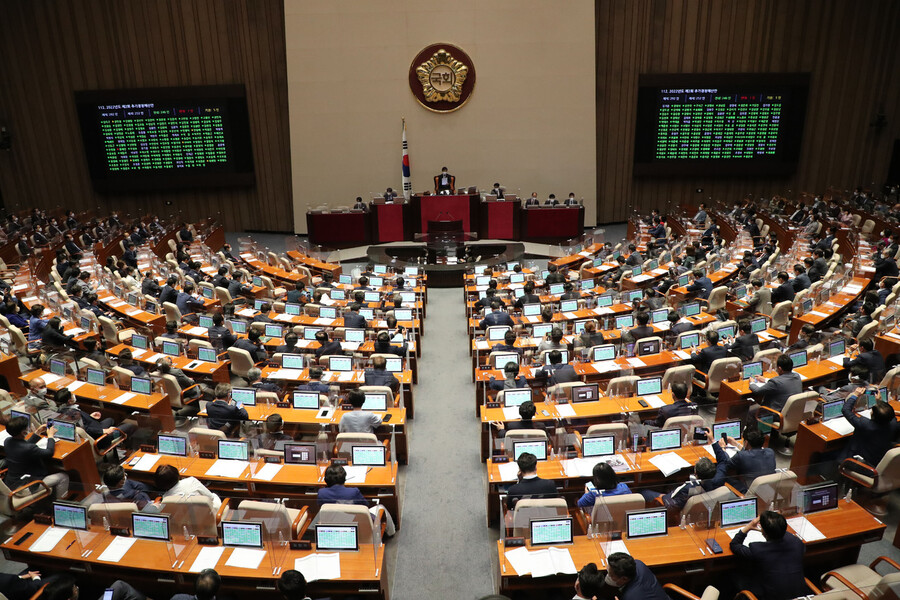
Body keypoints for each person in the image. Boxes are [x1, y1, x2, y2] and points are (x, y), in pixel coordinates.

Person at [729, 512, 806, 600]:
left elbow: (734, 545)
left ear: (764, 532)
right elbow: (785, 535)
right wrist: (774, 525)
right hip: (799, 595)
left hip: (771, 597)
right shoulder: (797, 543)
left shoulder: (758, 550)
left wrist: (749, 526)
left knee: (734, 576)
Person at [3, 416, 70, 498]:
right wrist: (51, 436)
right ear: (23, 432)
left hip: (11, 483)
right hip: (26, 487)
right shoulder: (29, 448)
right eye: (27, 427)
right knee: (63, 476)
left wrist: (38, 432)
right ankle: (60, 503)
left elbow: (24, 446)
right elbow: (49, 452)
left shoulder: (8, 441)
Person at [838, 388, 900, 466]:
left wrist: (855, 395)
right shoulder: (893, 423)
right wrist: (880, 402)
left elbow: (846, 410)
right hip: (880, 458)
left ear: (873, 415)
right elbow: (888, 413)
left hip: (861, 460)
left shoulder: (865, 424)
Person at [639, 457, 725, 510]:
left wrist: (662, 497)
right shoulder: (717, 481)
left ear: (695, 473)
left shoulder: (689, 488)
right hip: (692, 498)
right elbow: (723, 462)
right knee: (671, 483)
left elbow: (671, 504)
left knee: (643, 492)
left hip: (670, 501)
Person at [710, 427, 775, 493]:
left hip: (747, 491)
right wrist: (736, 444)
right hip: (767, 489)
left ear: (746, 442)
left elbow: (725, 463)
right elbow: (752, 452)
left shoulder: (741, 456)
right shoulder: (770, 452)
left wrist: (722, 448)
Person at [748, 354, 803, 421]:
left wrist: (752, 382)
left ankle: (762, 431)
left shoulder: (776, 382)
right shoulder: (797, 376)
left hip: (777, 415)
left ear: (780, 369)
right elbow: (783, 383)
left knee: (750, 412)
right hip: (793, 413)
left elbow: (757, 391)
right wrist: (765, 380)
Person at [152, 464, 222, 510]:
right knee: (215, 493)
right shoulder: (192, 481)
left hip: (185, 525)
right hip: (209, 519)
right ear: (177, 474)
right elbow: (211, 497)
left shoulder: (166, 500)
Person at [604, 553, 670, 600]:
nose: (608, 576)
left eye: (611, 575)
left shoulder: (630, 597)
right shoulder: (638, 564)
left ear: (624, 578)